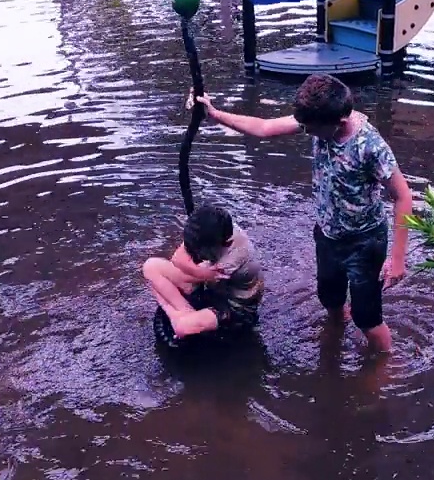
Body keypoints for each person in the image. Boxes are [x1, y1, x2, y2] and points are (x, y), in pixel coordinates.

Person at [194, 74, 411, 353]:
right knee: (330, 300)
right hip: (328, 233)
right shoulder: (320, 116)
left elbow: (403, 196)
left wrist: (398, 259)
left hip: (365, 241)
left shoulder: (370, 146)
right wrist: (214, 114)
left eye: (310, 129)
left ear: (339, 123)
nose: (305, 132)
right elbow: (264, 127)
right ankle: (335, 337)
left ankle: (384, 362)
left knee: (367, 318)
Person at [142, 203, 265, 339]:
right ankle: (184, 310)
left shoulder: (234, 257)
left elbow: (184, 269)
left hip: (235, 306)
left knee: (183, 327)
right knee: (150, 267)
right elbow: (177, 259)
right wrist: (202, 274)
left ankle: (178, 316)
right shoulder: (212, 228)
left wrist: (189, 274)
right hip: (210, 284)